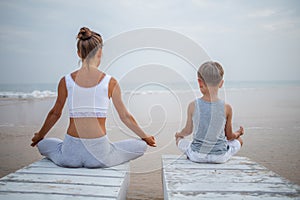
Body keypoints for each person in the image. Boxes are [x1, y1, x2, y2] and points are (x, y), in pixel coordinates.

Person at [31, 27, 156, 168]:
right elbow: (125, 116)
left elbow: (55, 113)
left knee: (43, 144)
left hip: (69, 155)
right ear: (100, 52)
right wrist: (145, 137)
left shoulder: (66, 81)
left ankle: (59, 150)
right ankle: (105, 154)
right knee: (140, 146)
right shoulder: (110, 82)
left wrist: (39, 136)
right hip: (100, 156)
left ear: (79, 53)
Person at [175, 61, 244, 163]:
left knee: (180, 141)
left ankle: (187, 150)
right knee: (239, 141)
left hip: (197, 156)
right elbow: (229, 136)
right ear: (221, 83)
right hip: (220, 157)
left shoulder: (193, 105)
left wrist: (179, 134)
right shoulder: (227, 108)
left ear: (199, 82)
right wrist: (238, 133)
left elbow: (188, 131)